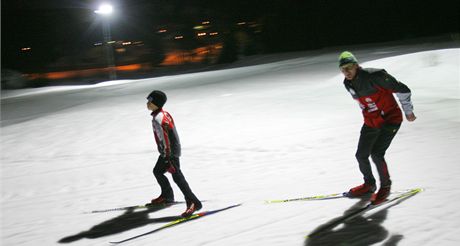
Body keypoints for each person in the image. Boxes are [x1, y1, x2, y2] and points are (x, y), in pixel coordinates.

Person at [339, 51, 416, 205]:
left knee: (376, 153)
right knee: (361, 155)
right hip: (371, 122)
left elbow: (403, 89)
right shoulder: (348, 84)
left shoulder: (375, 76)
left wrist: (408, 111)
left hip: (390, 119)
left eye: (349, 67)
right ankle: (369, 185)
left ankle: (385, 186)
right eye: (343, 69)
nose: (346, 72)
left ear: (356, 65)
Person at [146, 90, 202, 217]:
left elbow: (166, 138)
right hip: (169, 150)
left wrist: (167, 157)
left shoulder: (159, 118)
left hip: (170, 152)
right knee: (158, 171)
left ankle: (193, 202)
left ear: (156, 103)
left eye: (150, 101)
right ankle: (167, 196)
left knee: (178, 178)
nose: (147, 103)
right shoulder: (162, 114)